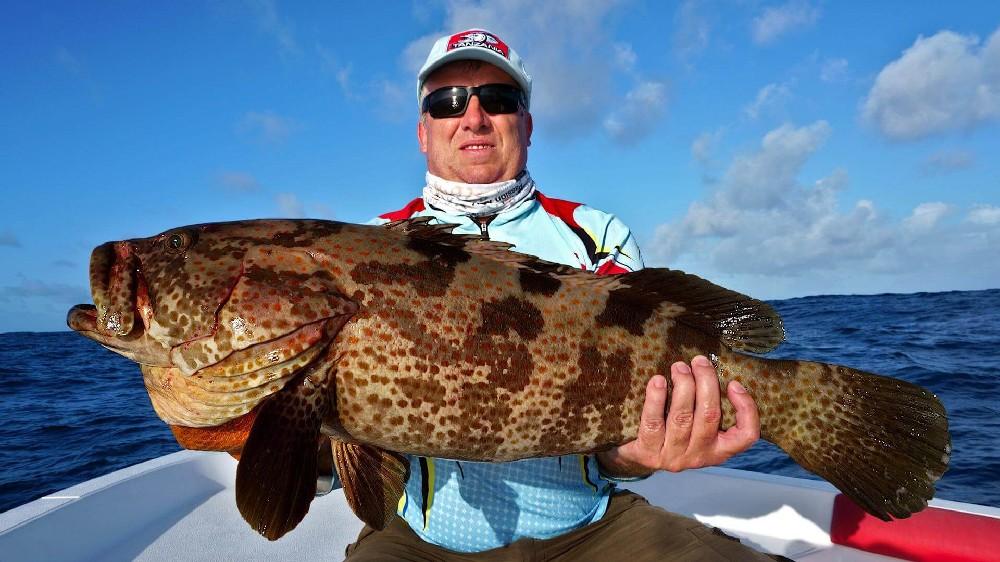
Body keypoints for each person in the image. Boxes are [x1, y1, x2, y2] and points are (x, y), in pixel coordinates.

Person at [348, 29, 772, 561]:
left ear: (526, 124)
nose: (474, 117)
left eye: (498, 99)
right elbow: (341, 458)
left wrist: (643, 452)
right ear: (422, 132)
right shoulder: (369, 248)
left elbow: (619, 452)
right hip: (421, 542)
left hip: (591, 532)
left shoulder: (598, 237)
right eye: (448, 102)